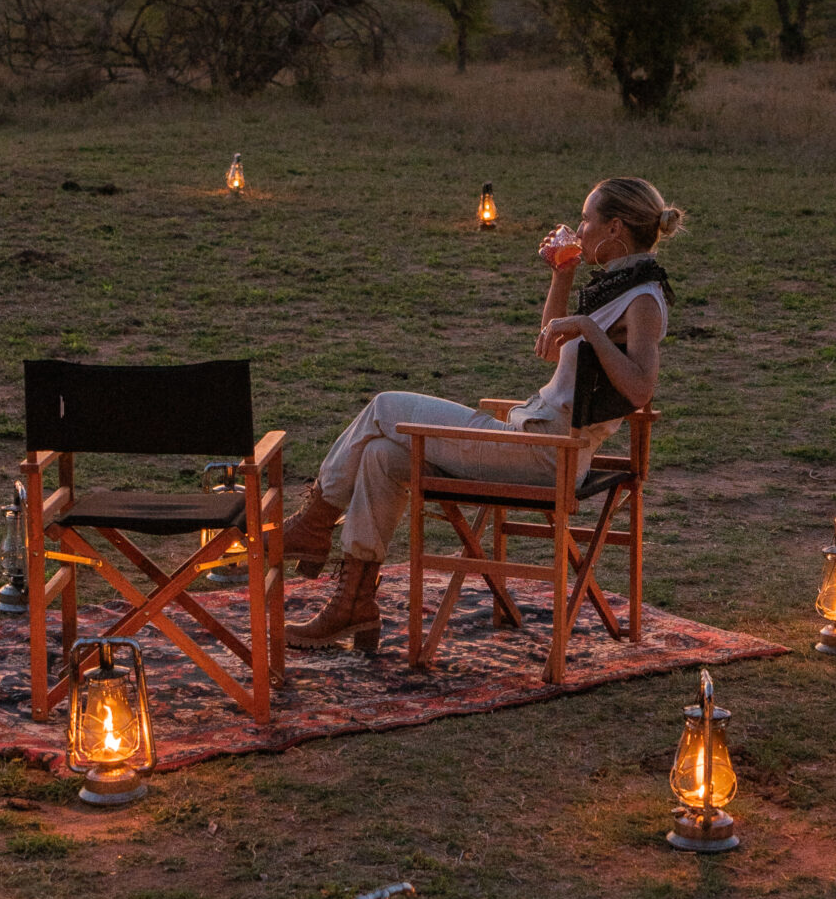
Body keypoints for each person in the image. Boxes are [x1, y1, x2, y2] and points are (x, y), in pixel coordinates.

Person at [283, 176, 684, 656]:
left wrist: (587, 331)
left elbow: (640, 389)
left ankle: (315, 522)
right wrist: (562, 275)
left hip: (548, 455)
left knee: (386, 406)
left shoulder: (644, 299)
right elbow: (549, 347)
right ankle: (353, 602)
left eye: (586, 220)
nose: (579, 227)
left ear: (615, 227)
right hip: (530, 438)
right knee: (383, 456)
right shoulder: (617, 286)